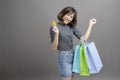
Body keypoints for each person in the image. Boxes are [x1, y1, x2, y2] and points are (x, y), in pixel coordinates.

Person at [49, 6, 96, 80]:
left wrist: (90, 24)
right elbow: (54, 47)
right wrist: (57, 34)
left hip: (73, 54)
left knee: (71, 78)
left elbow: (84, 39)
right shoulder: (55, 28)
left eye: (71, 17)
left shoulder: (71, 27)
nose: (69, 18)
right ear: (62, 14)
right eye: (67, 15)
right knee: (67, 78)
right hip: (64, 57)